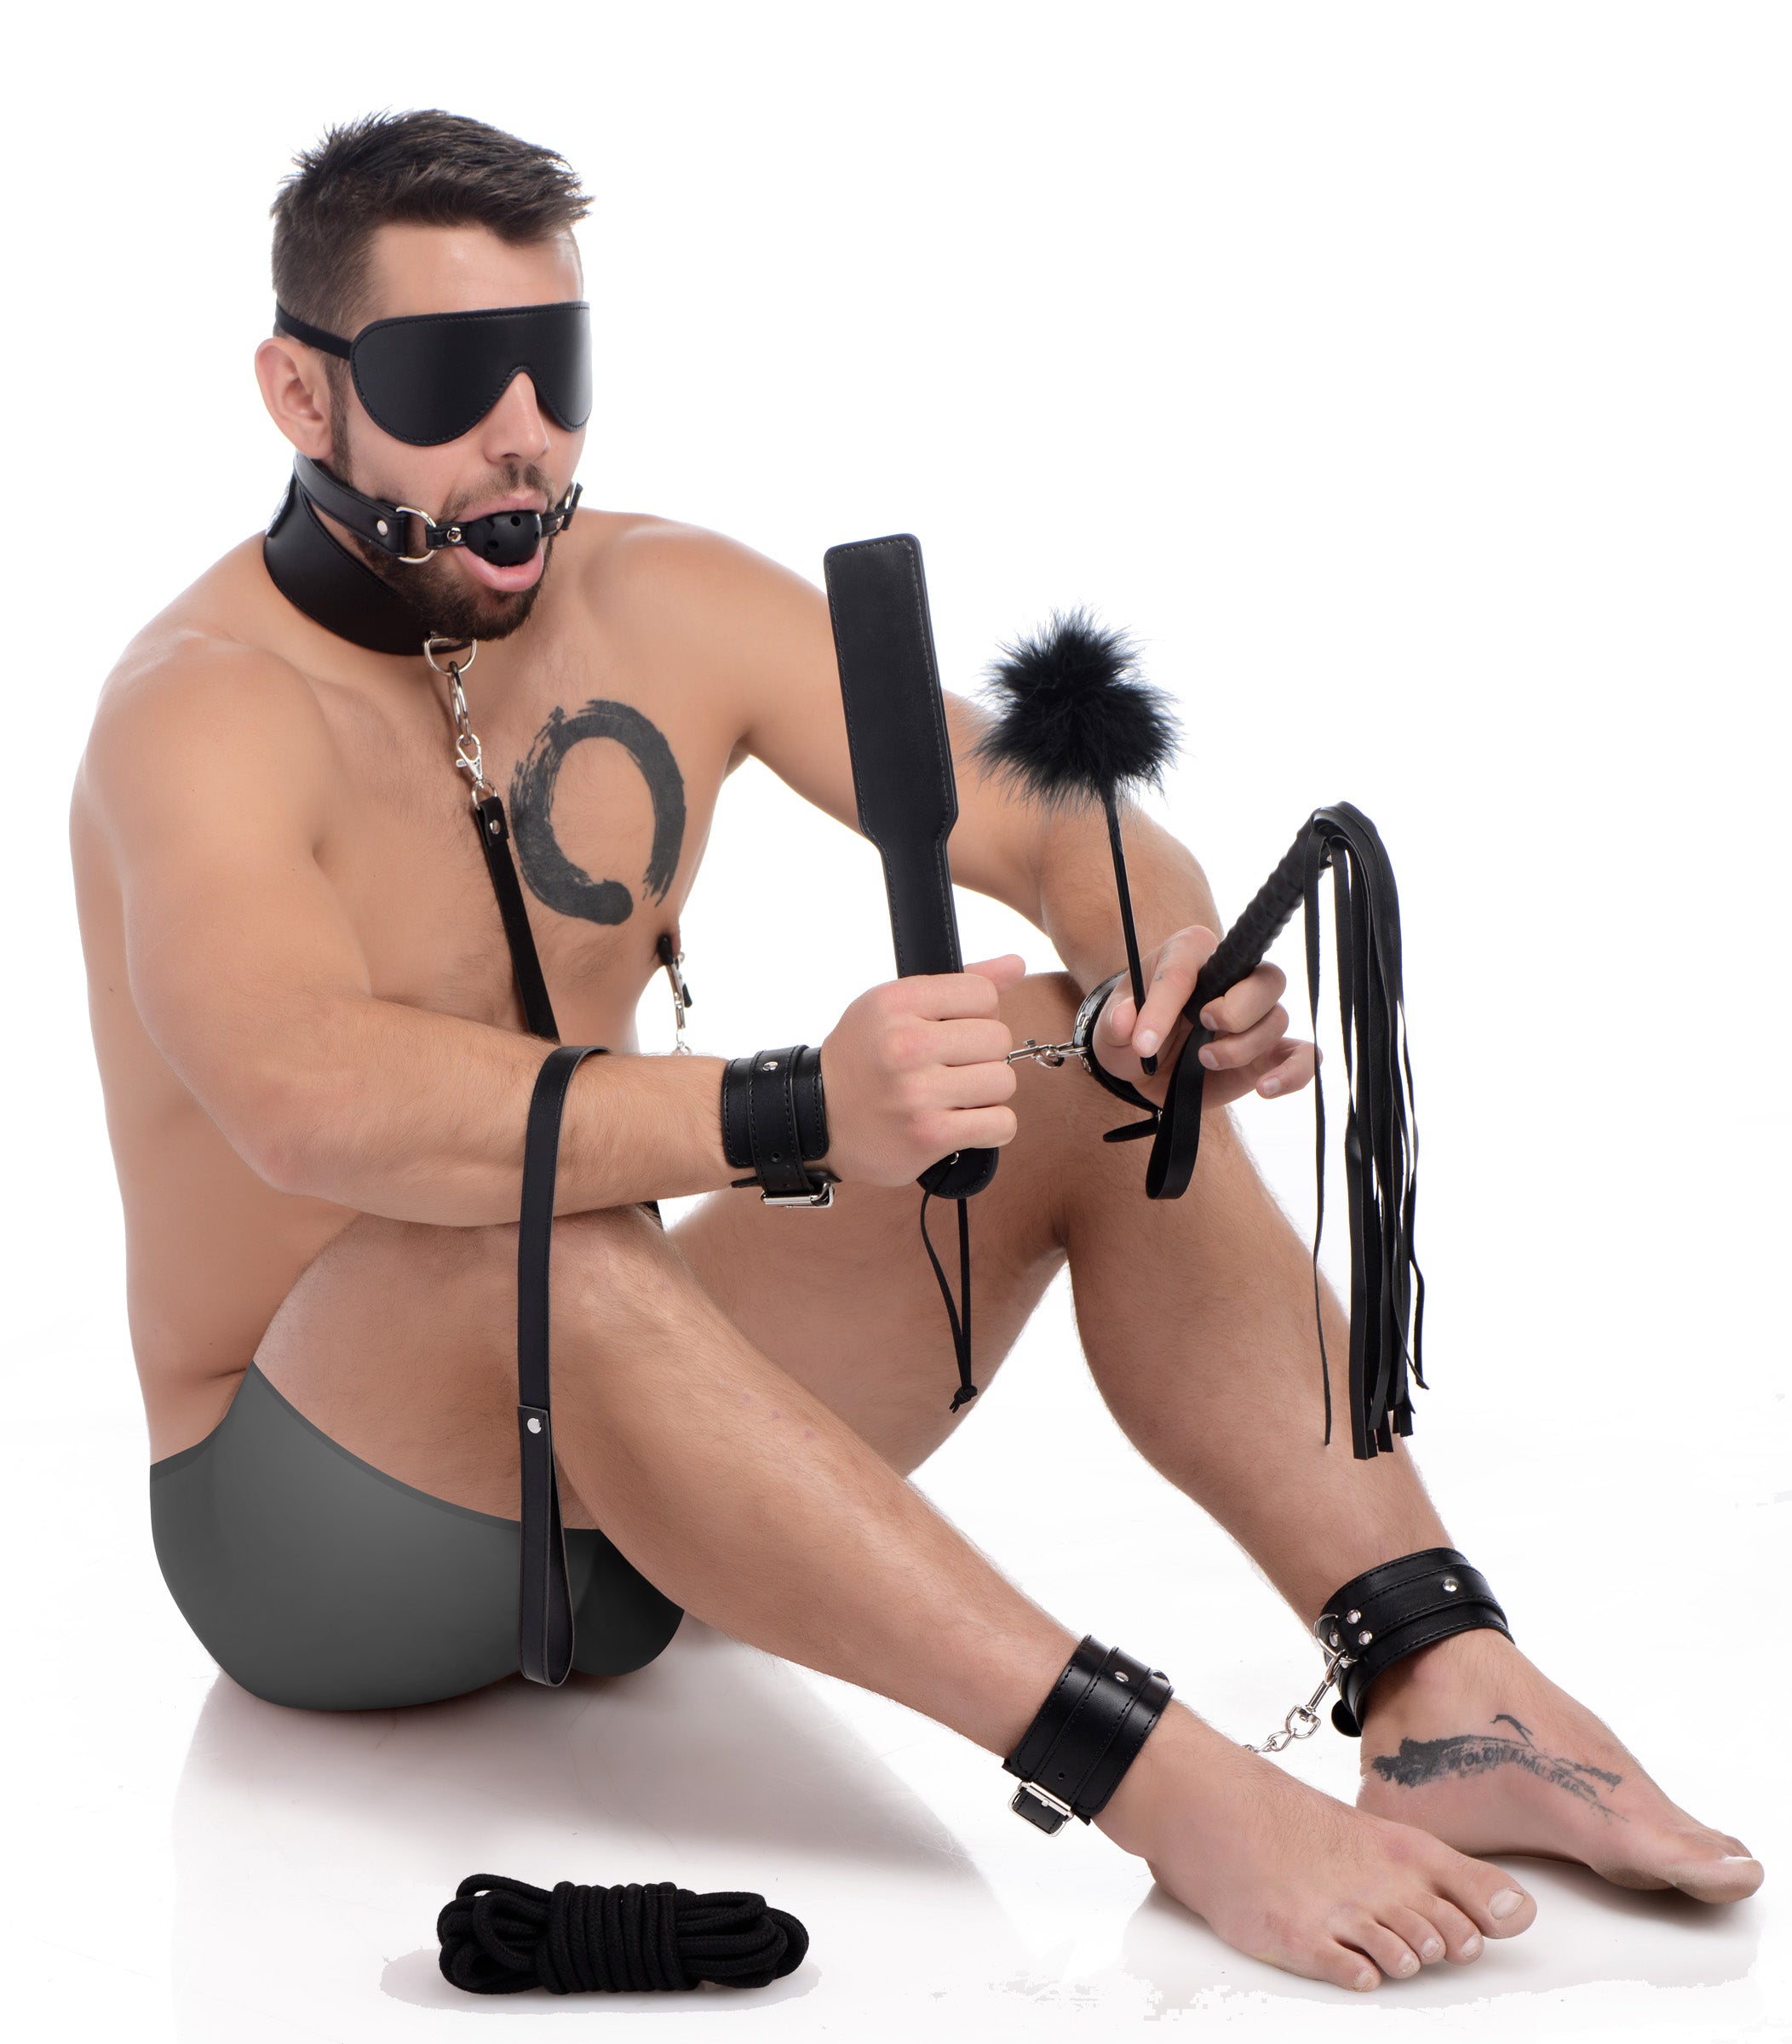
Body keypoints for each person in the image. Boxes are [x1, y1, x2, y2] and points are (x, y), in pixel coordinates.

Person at [68, 109, 1760, 1995]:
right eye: (452, 374)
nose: (523, 428)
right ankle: (1165, 1785)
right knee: (533, 1241)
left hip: (641, 1495)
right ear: (302, 392)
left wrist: (1159, 963)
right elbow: (306, 1098)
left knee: (1063, 1061)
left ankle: (1441, 1678)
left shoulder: (666, 598)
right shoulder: (201, 712)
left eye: (557, 364)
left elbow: (1043, 819)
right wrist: (795, 1107)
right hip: (318, 1529)